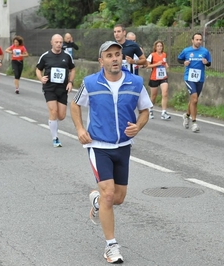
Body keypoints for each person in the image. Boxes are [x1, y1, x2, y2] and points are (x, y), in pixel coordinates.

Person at [71, 41, 152, 264]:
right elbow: (75, 105)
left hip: (123, 146)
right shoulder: (90, 83)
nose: (115, 58)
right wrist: (80, 129)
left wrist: (139, 125)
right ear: (101, 61)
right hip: (98, 145)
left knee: (118, 198)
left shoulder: (135, 82)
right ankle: (111, 246)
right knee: (108, 194)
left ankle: (96, 201)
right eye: (109, 55)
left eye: (118, 54)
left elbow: (145, 109)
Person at [35, 34, 75, 147]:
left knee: (61, 116)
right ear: (51, 43)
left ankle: (53, 122)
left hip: (62, 88)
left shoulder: (67, 56)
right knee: (53, 111)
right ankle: (55, 138)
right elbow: (38, 69)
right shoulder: (45, 56)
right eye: (56, 42)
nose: (59, 44)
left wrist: (70, 82)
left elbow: (72, 69)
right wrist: (40, 78)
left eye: (60, 42)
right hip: (49, 88)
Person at [177, 33, 212, 132]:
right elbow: (179, 59)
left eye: (200, 40)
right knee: (195, 99)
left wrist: (206, 63)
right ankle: (194, 123)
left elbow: (209, 63)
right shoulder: (186, 50)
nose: (199, 41)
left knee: (193, 99)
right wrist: (184, 62)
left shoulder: (205, 51)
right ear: (192, 40)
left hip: (200, 78)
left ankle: (186, 115)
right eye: (197, 39)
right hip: (189, 77)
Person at [145, 40, 171, 120]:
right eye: (158, 46)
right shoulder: (152, 55)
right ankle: (150, 109)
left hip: (163, 77)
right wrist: (157, 64)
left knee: (165, 93)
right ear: (155, 47)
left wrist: (166, 65)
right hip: (154, 78)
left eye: (161, 46)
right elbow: (147, 66)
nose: (160, 47)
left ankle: (163, 112)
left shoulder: (164, 54)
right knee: (153, 96)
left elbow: (164, 62)